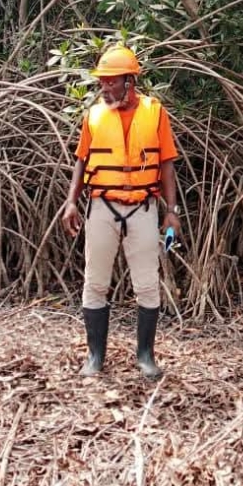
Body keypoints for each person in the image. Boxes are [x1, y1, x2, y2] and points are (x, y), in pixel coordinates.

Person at [61, 44, 182, 379]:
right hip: (102, 207)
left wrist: (171, 210)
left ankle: (145, 356)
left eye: (112, 81)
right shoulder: (94, 115)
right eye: (102, 81)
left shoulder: (155, 112)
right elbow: (82, 161)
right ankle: (95, 356)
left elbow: (167, 164)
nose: (105, 87)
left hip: (142, 209)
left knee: (147, 284)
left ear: (130, 81)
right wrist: (71, 201)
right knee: (95, 282)